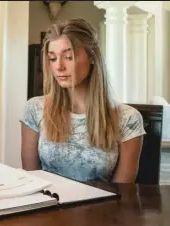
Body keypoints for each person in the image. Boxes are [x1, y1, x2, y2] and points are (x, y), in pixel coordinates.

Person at [21, 18, 146, 183]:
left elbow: (123, 193)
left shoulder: (128, 118)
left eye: (68, 57)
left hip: (102, 208)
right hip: (48, 206)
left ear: (91, 57)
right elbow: (31, 181)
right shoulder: (35, 109)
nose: (59, 66)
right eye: (52, 58)